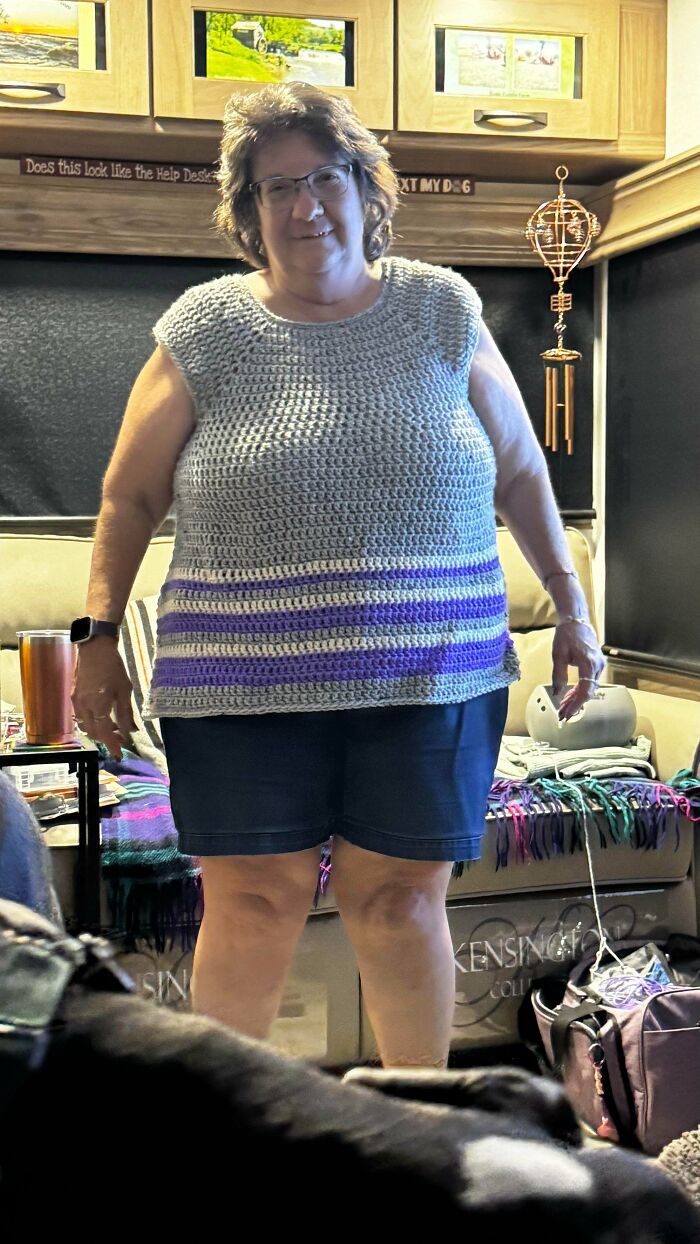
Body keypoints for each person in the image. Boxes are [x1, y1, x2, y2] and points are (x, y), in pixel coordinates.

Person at [72, 81, 605, 1069]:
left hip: (430, 677)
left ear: (365, 188)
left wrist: (573, 612)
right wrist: (96, 640)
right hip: (240, 685)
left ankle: (423, 1120)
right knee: (254, 903)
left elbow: (524, 471)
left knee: (401, 903)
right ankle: (231, 1132)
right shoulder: (205, 329)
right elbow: (126, 498)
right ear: (247, 213)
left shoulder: (442, 310)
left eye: (322, 177)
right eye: (274, 188)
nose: (302, 203)